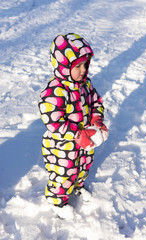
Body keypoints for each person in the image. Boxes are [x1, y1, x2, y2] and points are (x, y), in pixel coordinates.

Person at [38, 33, 108, 212]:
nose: (83, 70)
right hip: (62, 145)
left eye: (85, 64)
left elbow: (96, 102)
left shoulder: (86, 85)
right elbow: (53, 122)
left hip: (85, 140)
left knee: (84, 165)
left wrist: (97, 119)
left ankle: (77, 186)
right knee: (64, 173)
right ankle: (57, 201)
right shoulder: (54, 92)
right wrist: (77, 134)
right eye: (78, 66)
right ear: (63, 65)